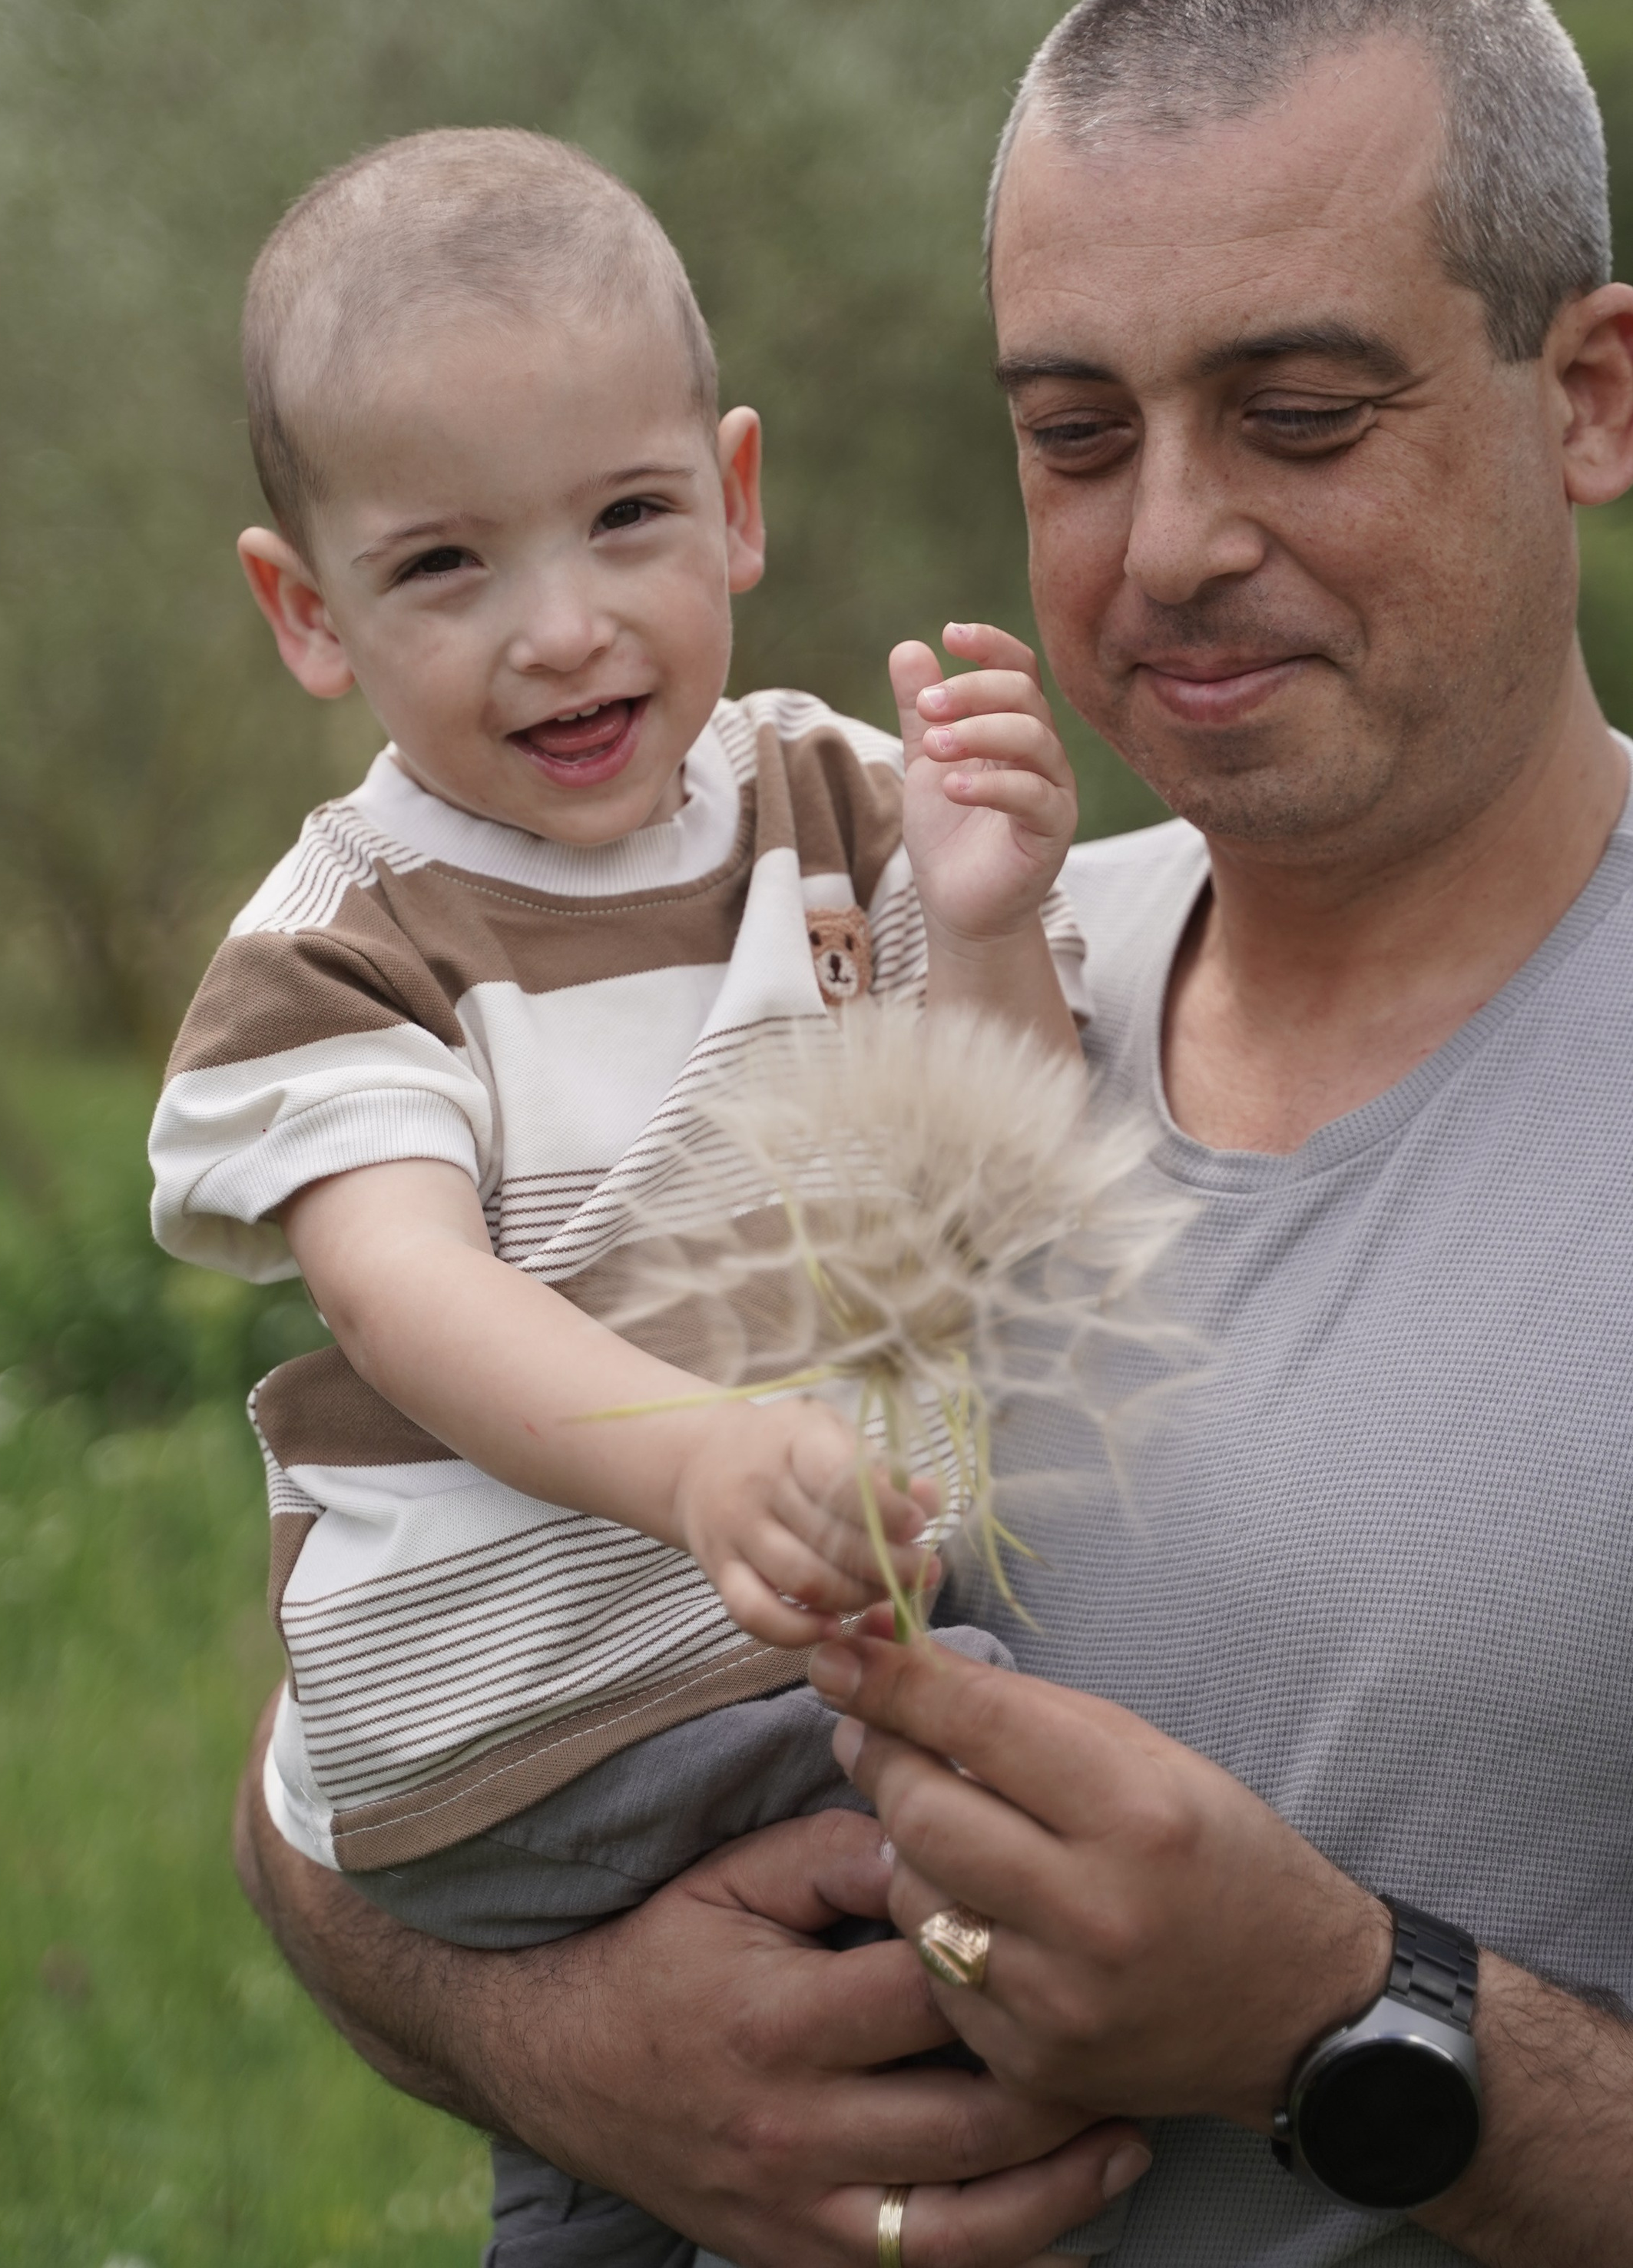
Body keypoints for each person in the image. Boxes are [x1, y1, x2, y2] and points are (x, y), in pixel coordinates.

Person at [232, 0, 1633, 2266]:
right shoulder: (913, 961)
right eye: (1077, 437)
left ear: (1589, 395)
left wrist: (1352, 2023)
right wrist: (576, 2057)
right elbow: (329, 1795)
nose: (1170, 542)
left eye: (1302, 418)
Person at [149, 125, 1095, 2267]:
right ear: (310, 612)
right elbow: (402, 1292)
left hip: (770, 1674)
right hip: (546, 1733)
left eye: (629, 519)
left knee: (666, 2182)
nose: (562, 631)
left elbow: (1009, 1188)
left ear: (738, 501)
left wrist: (1003, 922)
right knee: (1041, 1843)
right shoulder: (350, 937)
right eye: (445, 567)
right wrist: (691, 1461)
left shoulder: (843, 804)